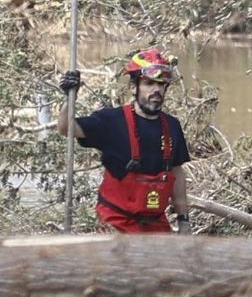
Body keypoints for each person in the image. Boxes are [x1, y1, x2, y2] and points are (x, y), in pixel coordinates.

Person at [57, 48, 192, 234]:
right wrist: (69, 96)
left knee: (171, 263)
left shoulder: (172, 126)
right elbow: (66, 127)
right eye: (149, 83)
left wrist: (183, 220)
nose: (156, 90)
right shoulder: (111, 121)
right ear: (133, 87)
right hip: (115, 223)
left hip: (155, 225)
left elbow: (177, 174)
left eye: (161, 85)